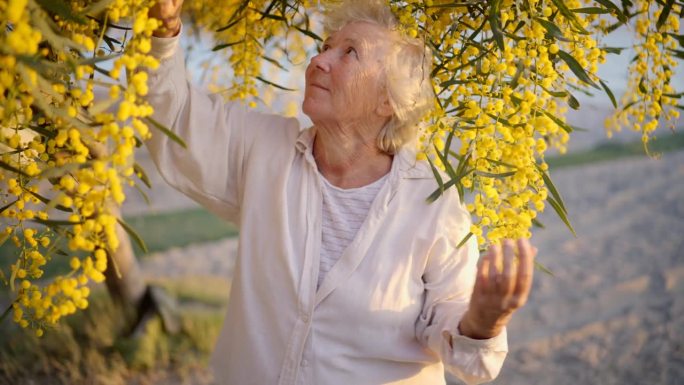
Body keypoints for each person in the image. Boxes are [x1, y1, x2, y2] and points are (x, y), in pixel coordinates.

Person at [144, 1, 536, 384]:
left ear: (388, 99)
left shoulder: (433, 204)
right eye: (325, 47)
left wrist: (484, 322)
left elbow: (468, 355)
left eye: (350, 53)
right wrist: (162, 33)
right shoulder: (265, 150)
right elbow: (175, 120)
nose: (319, 61)